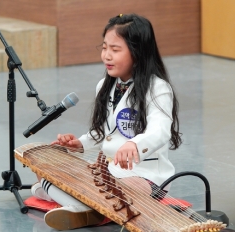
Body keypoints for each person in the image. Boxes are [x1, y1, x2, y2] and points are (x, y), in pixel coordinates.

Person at [30, 13, 182, 230]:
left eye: (115, 49)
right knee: (45, 164)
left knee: (127, 189)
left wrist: (135, 144)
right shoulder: (105, 84)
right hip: (107, 171)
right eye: (104, 48)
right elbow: (104, 129)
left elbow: (160, 130)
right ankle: (88, 208)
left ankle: (55, 195)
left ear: (138, 53)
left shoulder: (158, 88)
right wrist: (81, 143)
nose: (106, 56)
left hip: (143, 174)